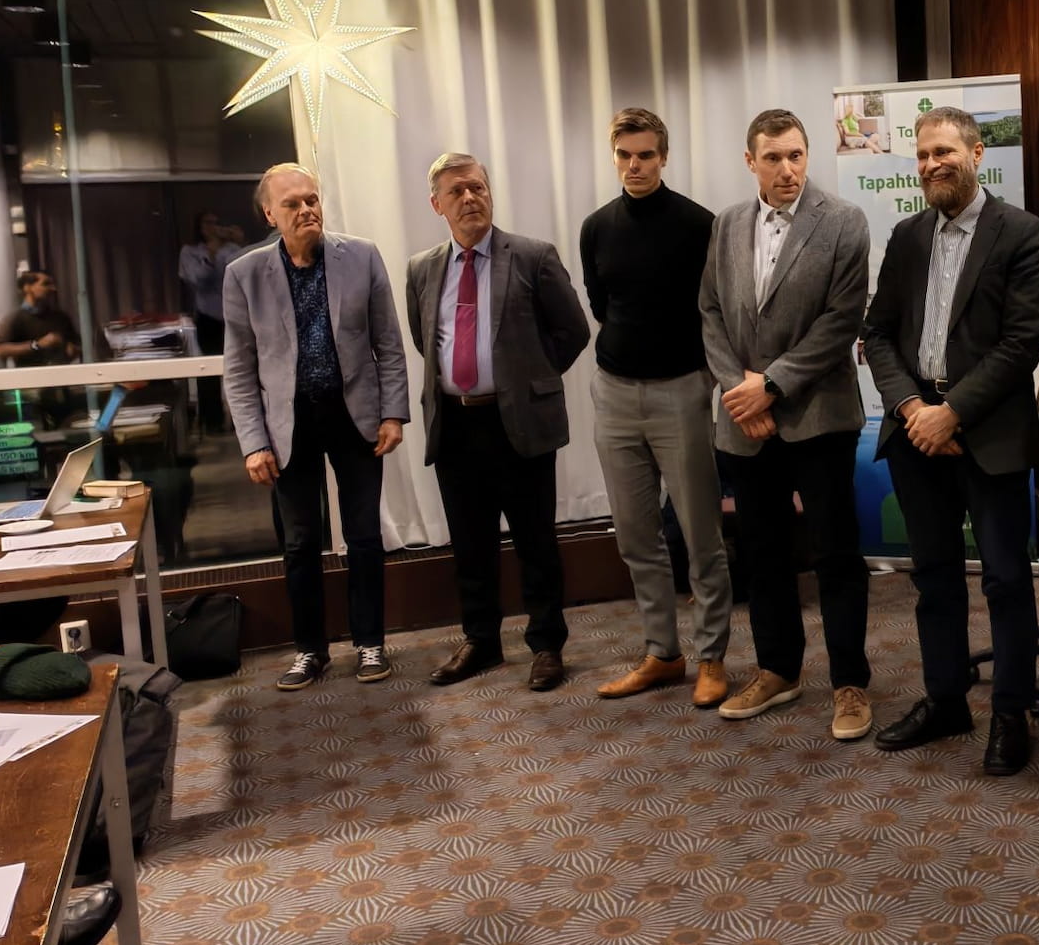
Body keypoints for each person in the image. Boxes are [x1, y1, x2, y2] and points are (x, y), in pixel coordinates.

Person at [862, 106, 1039, 777]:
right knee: (934, 578)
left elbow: (1021, 343)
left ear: (976, 153)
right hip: (915, 432)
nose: (932, 164)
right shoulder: (907, 235)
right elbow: (877, 333)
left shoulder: (1021, 232)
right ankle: (945, 701)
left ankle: (1010, 712)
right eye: (922, 155)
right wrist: (914, 408)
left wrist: (953, 413)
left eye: (944, 151)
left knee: (1005, 579)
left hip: (988, 433)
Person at [699, 108, 873, 739]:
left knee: (835, 553)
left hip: (819, 415)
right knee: (764, 551)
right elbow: (710, 312)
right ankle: (778, 669)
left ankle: (850, 681)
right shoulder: (727, 224)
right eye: (772, 158)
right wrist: (738, 391)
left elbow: (841, 320)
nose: (786, 169)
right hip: (745, 420)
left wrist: (769, 386)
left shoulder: (844, 221)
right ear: (751, 162)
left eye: (795, 155)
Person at [406, 153, 589, 692]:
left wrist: (528, 380)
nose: (470, 198)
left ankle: (546, 644)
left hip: (519, 424)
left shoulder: (532, 255)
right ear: (436, 204)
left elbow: (573, 330)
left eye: (477, 188)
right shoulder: (421, 268)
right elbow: (425, 339)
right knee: (470, 543)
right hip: (455, 425)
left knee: (536, 541)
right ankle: (481, 640)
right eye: (456, 191)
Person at [223, 163, 409, 691]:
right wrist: (253, 443)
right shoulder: (243, 274)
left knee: (364, 535)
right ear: (270, 214)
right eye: (292, 204)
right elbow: (238, 368)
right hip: (289, 423)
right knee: (300, 542)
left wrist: (392, 412)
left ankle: (370, 643)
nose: (306, 210)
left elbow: (388, 343)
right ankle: (310, 650)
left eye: (311, 199)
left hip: (354, 414)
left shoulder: (362, 256)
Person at [580, 109, 734, 707]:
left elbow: (716, 309)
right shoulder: (597, 227)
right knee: (636, 535)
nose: (635, 165)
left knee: (700, 533)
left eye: (645, 155)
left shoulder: (699, 224)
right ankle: (662, 653)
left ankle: (712, 656)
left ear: (663, 156)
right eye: (624, 155)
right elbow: (603, 305)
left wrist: (706, 380)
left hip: (681, 390)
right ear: (614, 156)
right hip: (615, 392)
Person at [180, 212, 245, 432]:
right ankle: (212, 422)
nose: (213, 227)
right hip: (207, 314)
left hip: (235, 315)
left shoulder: (232, 249)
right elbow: (198, 279)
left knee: (239, 368)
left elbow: (243, 275)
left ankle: (241, 423)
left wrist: (240, 243)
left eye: (217, 223)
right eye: (208, 223)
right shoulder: (190, 252)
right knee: (208, 370)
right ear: (199, 227)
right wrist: (211, 254)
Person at [0, 271, 80, 366]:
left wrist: (72, 349)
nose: (53, 289)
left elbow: (77, 344)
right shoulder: (15, 319)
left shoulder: (60, 317)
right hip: (30, 373)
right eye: (46, 284)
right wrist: (36, 345)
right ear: (27, 288)